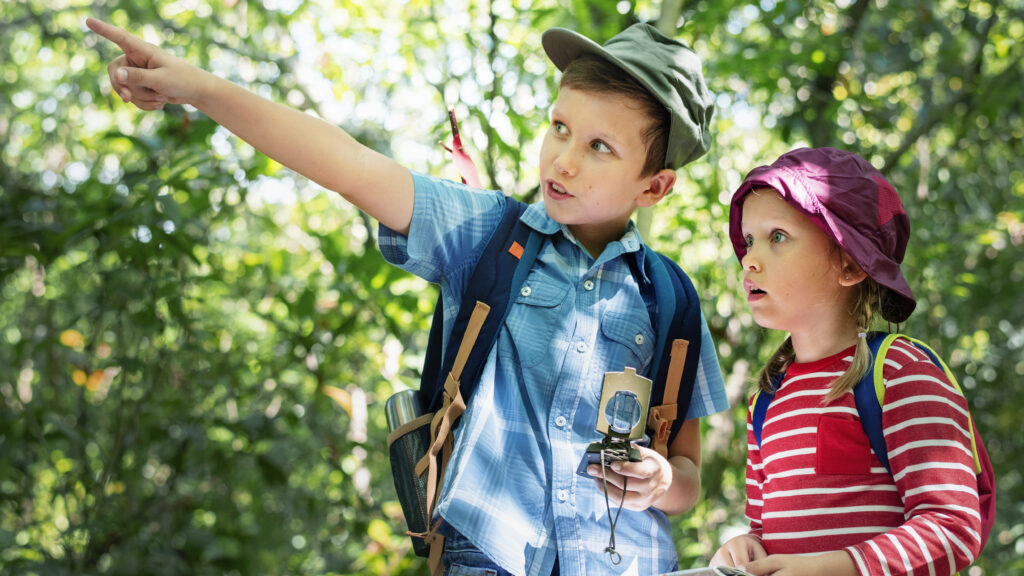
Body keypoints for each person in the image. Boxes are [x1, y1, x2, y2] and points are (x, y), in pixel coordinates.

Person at [87, 17, 729, 576]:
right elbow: (349, 164)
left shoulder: (669, 298)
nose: (562, 161)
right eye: (560, 128)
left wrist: (664, 482)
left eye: (598, 147)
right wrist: (196, 86)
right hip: (491, 558)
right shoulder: (490, 236)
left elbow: (688, 475)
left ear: (656, 187)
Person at [710, 147, 982, 575]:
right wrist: (746, 546)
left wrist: (840, 567)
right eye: (748, 240)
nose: (749, 259)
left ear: (851, 265)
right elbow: (767, 530)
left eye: (777, 237)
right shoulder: (766, 399)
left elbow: (954, 528)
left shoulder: (899, 374)